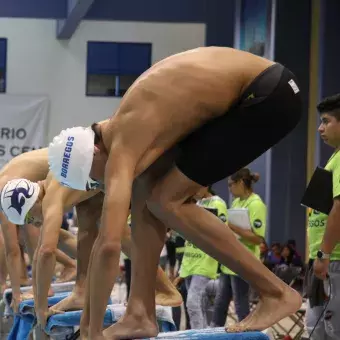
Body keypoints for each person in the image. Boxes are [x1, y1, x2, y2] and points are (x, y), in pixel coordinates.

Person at [48, 46, 303, 339]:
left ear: (94, 152)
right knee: (147, 192)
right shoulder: (133, 131)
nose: (102, 187)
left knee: (166, 201)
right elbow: (104, 240)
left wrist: (91, 333)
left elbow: (108, 245)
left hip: (267, 95)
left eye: (96, 179)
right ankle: (139, 313)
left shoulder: (123, 140)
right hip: (259, 92)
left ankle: (275, 292)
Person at [1, 176, 182, 328]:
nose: (33, 222)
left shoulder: (51, 198)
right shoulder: (56, 187)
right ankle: (81, 291)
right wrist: (38, 296)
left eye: (30, 217)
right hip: (95, 180)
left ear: (33, 201)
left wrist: (41, 307)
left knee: (115, 233)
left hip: (120, 171)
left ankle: (165, 289)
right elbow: (45, 246)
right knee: (86, 226)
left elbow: (46, 252)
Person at [0, 149, 77, 313]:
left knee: (36, 236)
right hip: (72, 159)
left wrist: (16, 294)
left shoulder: (5, 194)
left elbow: (11, 250)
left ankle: (46, 284)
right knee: (34, 231)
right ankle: (73, 265)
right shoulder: (8, 187)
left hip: (73, 161)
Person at [211, 169, 266, 327]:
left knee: (241, 307)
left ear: (241, 182)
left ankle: (247, 336)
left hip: (244, 264)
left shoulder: (256, 204)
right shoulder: (235, 203)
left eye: (231, 185)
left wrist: (232, 227)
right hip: (229, 263)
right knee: (220, 306)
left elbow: (257, 239)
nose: (229, 189)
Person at [306, 93, 340, 339]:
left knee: (331, 332)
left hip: (334, 261)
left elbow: (339, 210)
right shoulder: (334, 157)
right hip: (323, 261)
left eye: (326, 121)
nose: (320, 128)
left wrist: (325, 254)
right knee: (315, 331)